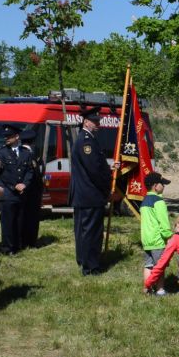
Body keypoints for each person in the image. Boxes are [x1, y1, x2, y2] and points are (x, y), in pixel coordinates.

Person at [69, 111, 113, 276]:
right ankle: (90, 266)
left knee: (84, 231)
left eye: (98, 122)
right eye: (95, 122)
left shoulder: (87, 139)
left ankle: (84, 260)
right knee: (91, 232)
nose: (98, 125)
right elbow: (94, 170)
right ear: (86, 122)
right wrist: (106, 188)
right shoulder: (86, 141)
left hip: (86, 195)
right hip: (90, 194)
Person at [0, 126, 36, 254]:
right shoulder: (1, 153)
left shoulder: (25, 152)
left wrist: (24, 184)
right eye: (5, 136)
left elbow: (29, 170)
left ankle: (17, 245)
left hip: (21, 193)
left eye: (9, 136)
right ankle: (7, 247)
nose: (6, 138)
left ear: (17, 137)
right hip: (8, 192)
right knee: (8, 222)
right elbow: (2, 174)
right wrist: (15, 185)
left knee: (19, 220)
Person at [140, 171, 173, 292]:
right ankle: (160, 290)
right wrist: (168, 236)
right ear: (155, 186)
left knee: (148, 265)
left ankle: (147, 289)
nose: (164, 186)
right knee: (160, 266)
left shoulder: (144, 200)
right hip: (158, 240)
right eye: (162, 184)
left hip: (146, 240)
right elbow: (163, 222)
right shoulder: (159, 201)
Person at [18, 127, 44, 249]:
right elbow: (34, 175)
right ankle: (30, 241)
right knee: (31, 218)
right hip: (31, 192)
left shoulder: (20, 153)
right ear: (33, 141)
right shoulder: (29, 154)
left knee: (23, 217)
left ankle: (25, 240)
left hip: (24, 192)